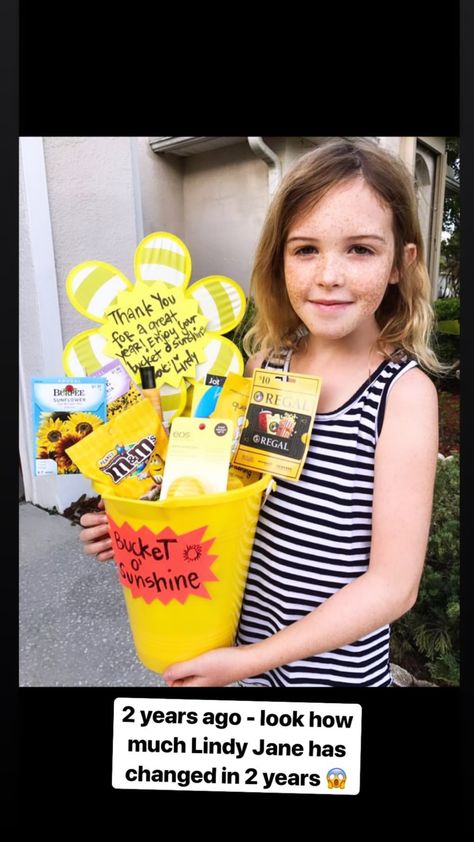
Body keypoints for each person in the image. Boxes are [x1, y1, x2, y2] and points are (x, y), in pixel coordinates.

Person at [79, 138, 440, 687]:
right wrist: (144, 525)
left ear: (399, 263)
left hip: (330, 684)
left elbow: (394, 587)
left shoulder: (403, 393)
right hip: (241, 660)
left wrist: (251, 661)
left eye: (360, 250)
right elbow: (227, 497)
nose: (328, 275)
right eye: (306, 249)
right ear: (279, 258)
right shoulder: (267, 363)